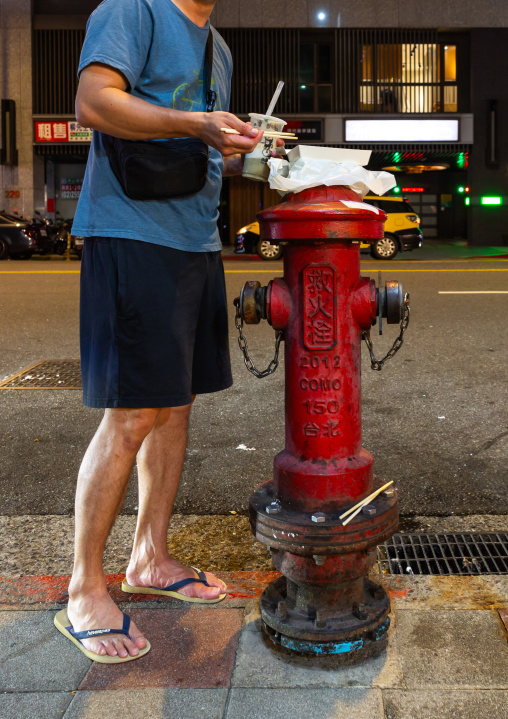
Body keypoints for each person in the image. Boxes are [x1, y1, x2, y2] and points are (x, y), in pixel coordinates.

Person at [54, 0, 271, 663]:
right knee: (133, 413)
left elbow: (201, 148)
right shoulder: (134, 9)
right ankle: (85, 584)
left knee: (175, 406)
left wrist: (242, 149)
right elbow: (94, 100)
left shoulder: (221, 49)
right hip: (130, 233)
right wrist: (196, 122)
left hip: (195, 241)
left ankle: (150, 555)